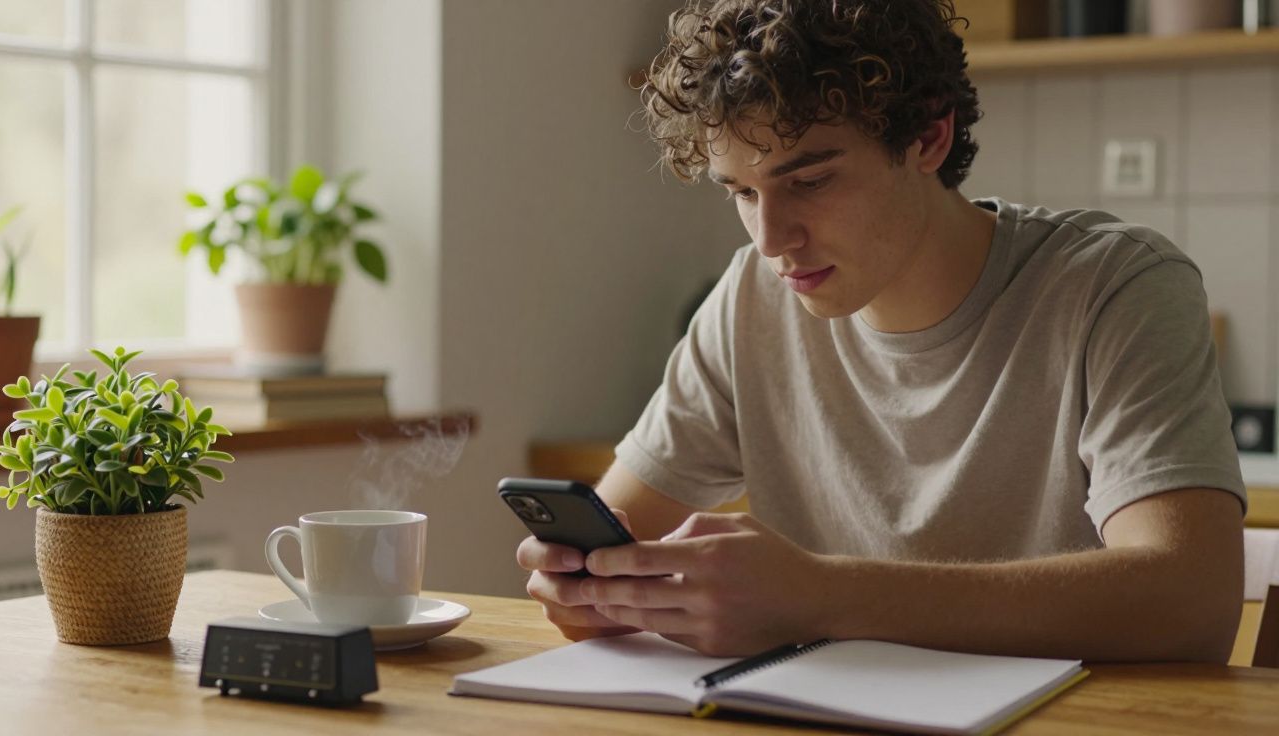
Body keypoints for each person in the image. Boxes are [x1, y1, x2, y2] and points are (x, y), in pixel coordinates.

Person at [517, 0, 1246, 662]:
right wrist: (589, 587)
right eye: (742, 192)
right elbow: (620, 532)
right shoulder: (749, 298)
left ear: (929, 135)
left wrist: (820, 595)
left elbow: (1192, 603)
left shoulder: (1116, 286)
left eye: (810, 182)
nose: (771, 240)